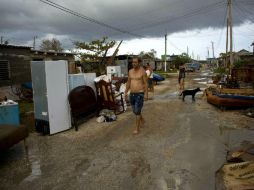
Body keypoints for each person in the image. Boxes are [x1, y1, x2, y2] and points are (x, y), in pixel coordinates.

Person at [125, 56, 148, 135]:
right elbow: (128, 82)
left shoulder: (143, 71)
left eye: (135, 62)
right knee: (135, 110)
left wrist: (146, 94)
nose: (133, 64)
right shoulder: (130, 71)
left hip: (140, 94)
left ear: (139, 63)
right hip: (132, 94)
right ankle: (142, 120)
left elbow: (145, 83)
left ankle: (137, 129)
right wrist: (125, 92)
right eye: (133, 62)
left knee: (137, 111)